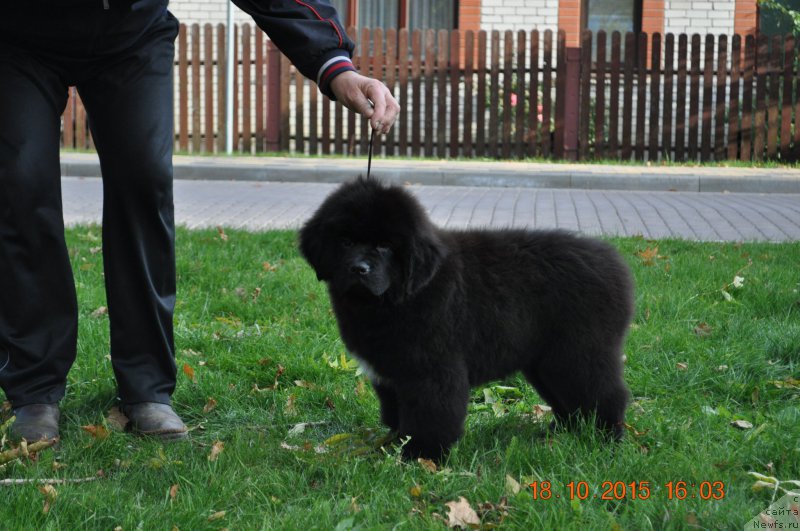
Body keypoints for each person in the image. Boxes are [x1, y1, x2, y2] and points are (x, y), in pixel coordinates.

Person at [0, 0, 399, 442]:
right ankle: (34, 388)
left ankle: (147, 387)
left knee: (144, 178)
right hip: (20, 38)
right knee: (21, 182)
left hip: (130, 34)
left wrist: (333, 62)